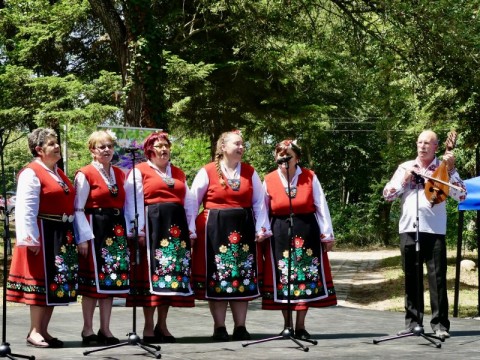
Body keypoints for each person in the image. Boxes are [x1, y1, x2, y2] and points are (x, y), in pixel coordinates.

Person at [383, 130, 466, 339]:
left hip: (435, 230)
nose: (422, 146)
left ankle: (440, 326)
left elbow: (462, 195)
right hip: (409, 228)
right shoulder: (405, 167)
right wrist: (404, 180)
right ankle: (413, 324)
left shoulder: (444, 169)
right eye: (419, 142)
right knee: (411, 277)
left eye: (427, 143)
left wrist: (452, 169)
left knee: (437, 279)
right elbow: (387, 195)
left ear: (436, 147)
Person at [190, 130, 272, 341]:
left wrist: (261, 228)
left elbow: (259, 203)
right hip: (214, 231)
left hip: (243, 229)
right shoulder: (207, 171)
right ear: (223, 147)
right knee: (218, 277)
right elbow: (192, 203)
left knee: (241, 277)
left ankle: (240, 327)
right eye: (237, 143)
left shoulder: (249, 172)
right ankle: (219, 327)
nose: (241, 147)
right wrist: (191, 230)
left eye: (242, 144)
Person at [6, 128, 78, 348]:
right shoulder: (32, 172)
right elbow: (25, 208)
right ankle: (34, 331)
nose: (57, 146)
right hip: (42, 233)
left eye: (56, 142)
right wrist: (29, 238)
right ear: (39, 150)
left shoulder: (57, 172)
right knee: (41, 283)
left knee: (54, 284)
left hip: (60, 232)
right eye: (51, 143)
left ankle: (43, 330)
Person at [261, 139, 337, 340]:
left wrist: (327, 234)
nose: (284, 159)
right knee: (284, 277)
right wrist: (262, 232)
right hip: (279, 231)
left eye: (288, 155)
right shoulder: (268, 179)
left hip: (307, 231)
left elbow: (321, 205)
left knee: (304, 276)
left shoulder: (310, 177)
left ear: (297, 159)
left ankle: (300, 326)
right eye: (280, 154)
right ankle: (287, 326)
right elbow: (262, 209)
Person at [124, 131, 195, 343]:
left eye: (166, 145)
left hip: (175, 229)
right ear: (148, 150)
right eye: (158, 146)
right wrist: (139, 229)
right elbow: (132, 202)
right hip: (152, 227)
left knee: (170, 278)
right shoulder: (139, 171)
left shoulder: (179, 173)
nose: (163, 149)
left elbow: (189, 202)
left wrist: (191, 229)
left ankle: (162, 325)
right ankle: (147, 326)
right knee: (150, 278)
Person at [74, 130, 129, 345]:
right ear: (92, 150)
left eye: (109, 146)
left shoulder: (119, 173)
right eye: (101, 147)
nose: (107, 150)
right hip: (94, 228)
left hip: (116, 230)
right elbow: (78, 208)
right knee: (92, 285)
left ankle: (105, 329)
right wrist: (83, 238)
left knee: (111, 282)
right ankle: (87, 330)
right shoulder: (85, 174)